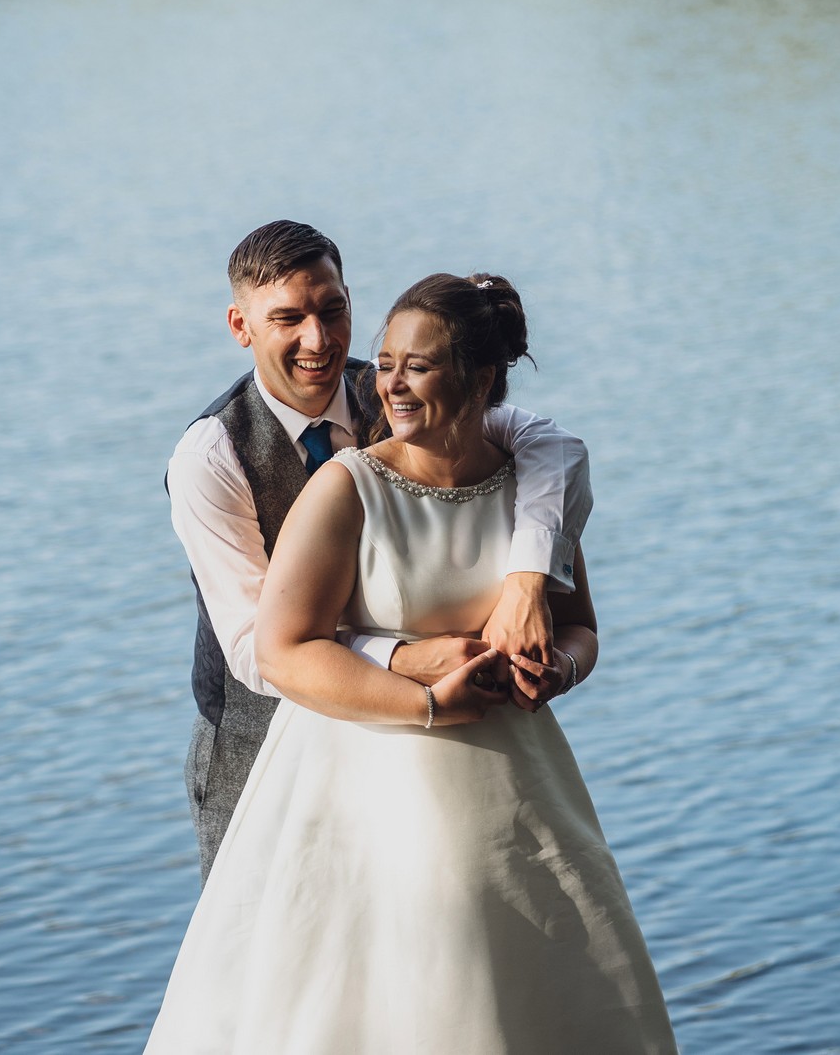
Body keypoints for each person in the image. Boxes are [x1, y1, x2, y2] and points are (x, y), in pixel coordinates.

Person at [145, 272, 676, 1054]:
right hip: (356, 774)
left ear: (482, 377)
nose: (384, 380)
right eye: (386, 361)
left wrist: (554, 669)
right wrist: (426, 693)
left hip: (512, 779)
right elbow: (276, 648)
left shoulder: (530, 484)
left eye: (414, 365)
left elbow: (580, 625)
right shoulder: (341, 485)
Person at [167, 221, 592, 881]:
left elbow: (552, 448)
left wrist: (527, 576)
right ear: (240, 326)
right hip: (263, 758)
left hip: (426, 761)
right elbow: (259, 653)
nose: (319, 339)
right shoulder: (212, 455)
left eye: (332, 310)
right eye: (288, 318)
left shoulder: (403, 392)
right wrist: (409, 659)